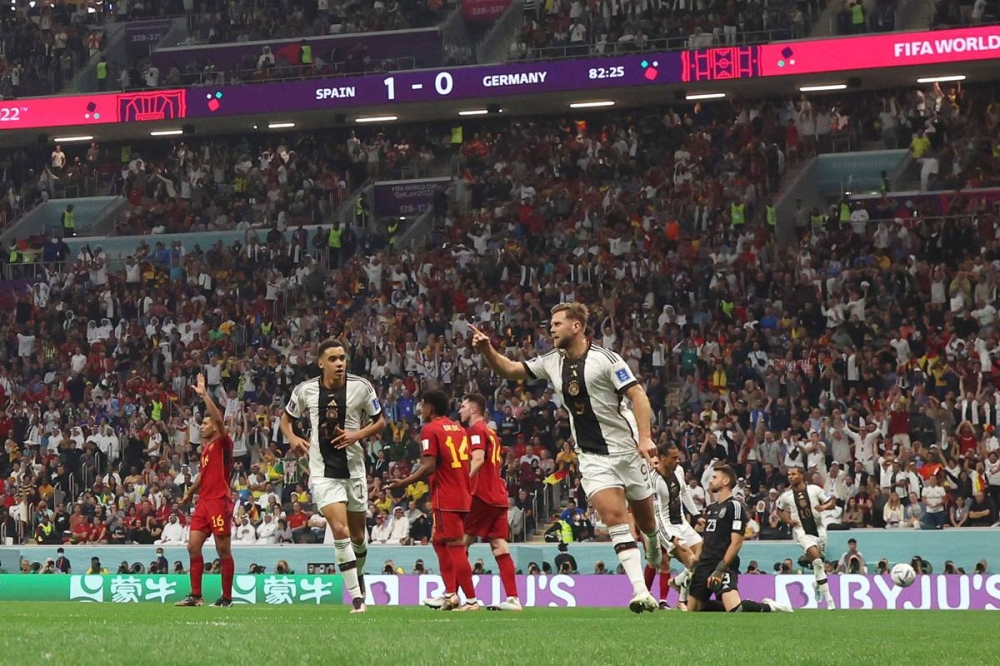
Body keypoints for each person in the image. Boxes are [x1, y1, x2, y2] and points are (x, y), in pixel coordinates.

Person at [470, 302, 661, 613]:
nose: (551, 328)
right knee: (615, 518)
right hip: (591, 455)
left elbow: (638, 395)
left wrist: (645, 437)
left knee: (647, 522)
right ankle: (640, 591)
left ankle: (653, 548)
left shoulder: (606, 360)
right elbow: (510, 369)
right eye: (551, 323)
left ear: (577, 326)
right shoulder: (552, 361)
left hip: (626, 449)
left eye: (557, 323)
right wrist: (487, 350)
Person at [281, 338, 386, 614]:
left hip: (354, 469)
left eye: (342, 358)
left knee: (358, 536)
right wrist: (292, 437)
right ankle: (357, 600)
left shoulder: (361, 386)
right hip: (323, 471)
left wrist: (356, 435)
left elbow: (380, 421)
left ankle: (358, 574)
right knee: (339, 529)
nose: (339, 363)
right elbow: (286, 419)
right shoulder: (305, 390)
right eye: (333, 359)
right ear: (321, 363)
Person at [388, 390, 478, 611]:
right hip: (462, 493)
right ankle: (450, 595)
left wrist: (404, 482)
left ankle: (471, 600)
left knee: (455, 546)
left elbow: (428, 465)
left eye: (422, 405)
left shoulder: (430, 429)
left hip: (446, 496)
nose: (420, 409)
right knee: (439, 541)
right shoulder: (459, 428)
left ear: (429, 407)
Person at [688, 464, 792, 613]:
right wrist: (695, 561)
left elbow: (736, 542)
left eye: (715, 477)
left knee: (735, 609)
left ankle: (770, 607)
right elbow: (706, 538)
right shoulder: (712, 508)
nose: (710, 480)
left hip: (723, 564)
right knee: (693, 610)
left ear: (725, 481)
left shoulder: (735, 506)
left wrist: (720, 569)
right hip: (704, 564)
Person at [175, 374, 236, 608]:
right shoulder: (206, 450)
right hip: (203, 502)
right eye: (201, 424)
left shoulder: (223, 443)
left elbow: (219, 420)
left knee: (223, 550)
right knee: (193, 546)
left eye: (205, 424)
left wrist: (204, 395)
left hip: (219, 500)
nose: (201, 427)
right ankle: (195, 595)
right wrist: (191, 492)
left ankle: (226, 598)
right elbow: (203, 475)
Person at [461, 393, 521, 611]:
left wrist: (462, 482)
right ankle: (513, 598)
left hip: (482, 494)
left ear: (473, 409)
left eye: (463, 406)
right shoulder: (491, 433)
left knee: (460, 544)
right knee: (499, 546)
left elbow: (477, 459)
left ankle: (457, 596)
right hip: (498, 495)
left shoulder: (476, 430)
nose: (460, 410)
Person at [647, 442, 703, 610]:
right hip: (667, 528)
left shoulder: (678, 471)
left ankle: (677, 582)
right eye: (674, 458)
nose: (678, 461)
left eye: (678, 457)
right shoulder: (654, 480)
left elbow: (684, 492)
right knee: (689, 561)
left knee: (702, 556)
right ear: (662, 458)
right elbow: (657, 515)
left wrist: (696, 515)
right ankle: (682, 600)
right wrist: (671, 538)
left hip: (682, 523)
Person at [776, 466, 838, 609]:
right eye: (789, 474)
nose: (790, 477)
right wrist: (789, 521)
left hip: (819, 530)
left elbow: (832, 501)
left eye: (793, 474)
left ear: (802, 476)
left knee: (819, 563)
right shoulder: (786, 496)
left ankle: (817, 584)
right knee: (817, 562)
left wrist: (823, 507)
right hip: (802, 532)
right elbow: (779, 510)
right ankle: (829, 600)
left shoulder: (814, 490)